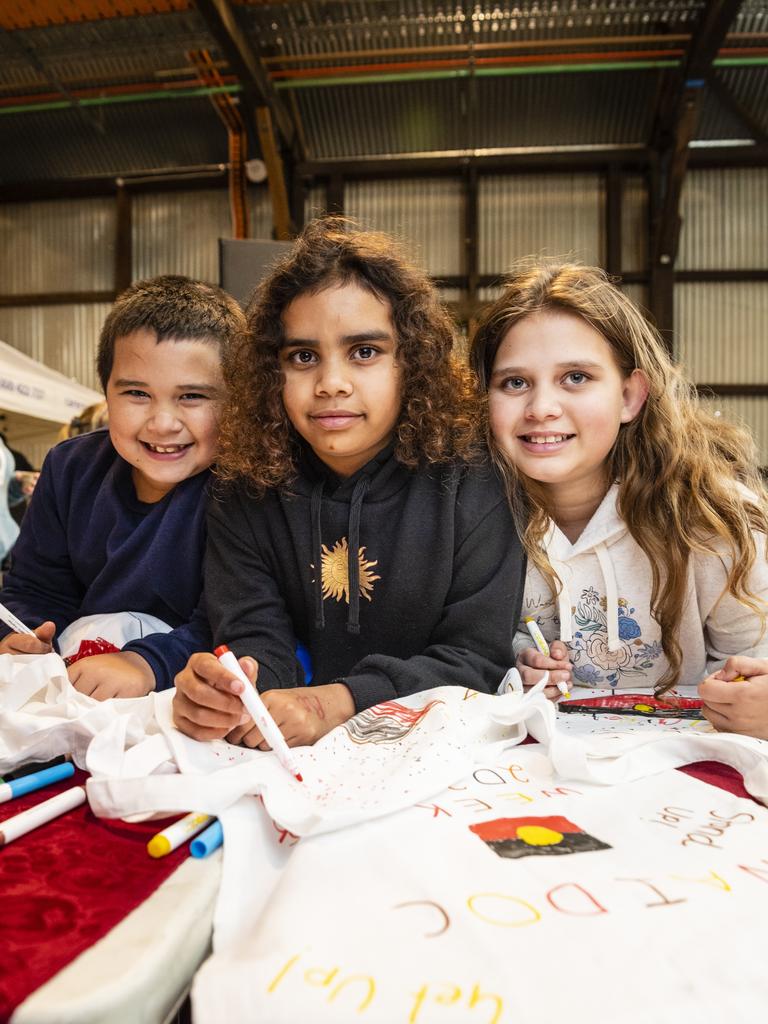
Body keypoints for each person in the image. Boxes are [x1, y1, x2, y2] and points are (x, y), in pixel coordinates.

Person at [173, 217, 525, 747]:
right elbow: (255, 634)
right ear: (273, 372)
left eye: (364, 352)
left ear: (412, 362)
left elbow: (477, 659)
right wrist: (235, 692)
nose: (331, 384)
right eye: (303, 356)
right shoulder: (242, 487)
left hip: (445, 754)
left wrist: (335, 702)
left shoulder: (475, 477)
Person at [469, 260, 768, 733]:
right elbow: (452, 661)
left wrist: (753, 698)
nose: (542, 408)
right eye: (515, 382)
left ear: (630, 395)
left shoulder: (713, 520)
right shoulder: (464, 521)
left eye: (576, 377)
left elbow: (754, 660)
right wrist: (508, 677)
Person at [0, 275, 246, 699]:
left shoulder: (246, 487)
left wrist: (145, 662)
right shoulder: (69, 468)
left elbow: (237, 622)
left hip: (194, 699)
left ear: (237, 399)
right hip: (75, 691)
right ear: (105, 394)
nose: (163, 423)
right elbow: (34, 589)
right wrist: (24, 636)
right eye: (136, 393)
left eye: (191, 396)